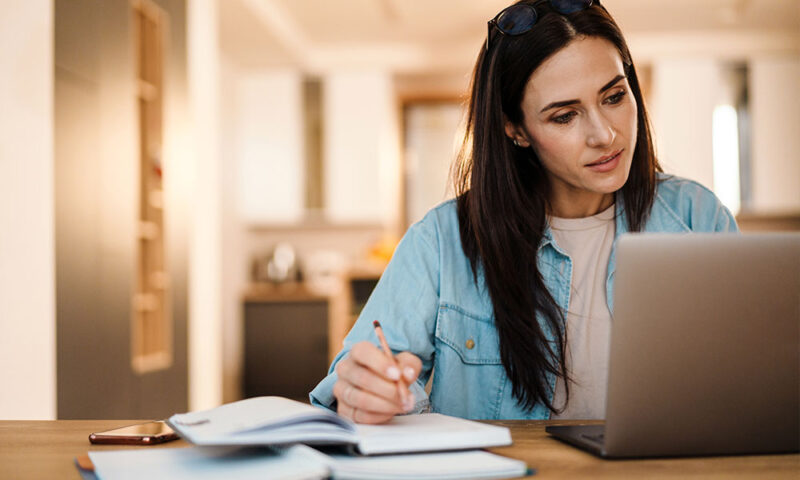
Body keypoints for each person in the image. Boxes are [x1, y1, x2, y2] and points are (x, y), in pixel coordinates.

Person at [310, 0, 738, 424]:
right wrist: (360, 395)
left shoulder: (697, 218)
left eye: (614, 96)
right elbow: (344, 396)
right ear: (515, 129)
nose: (605, 134)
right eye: (565, 116)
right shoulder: (442, 240)